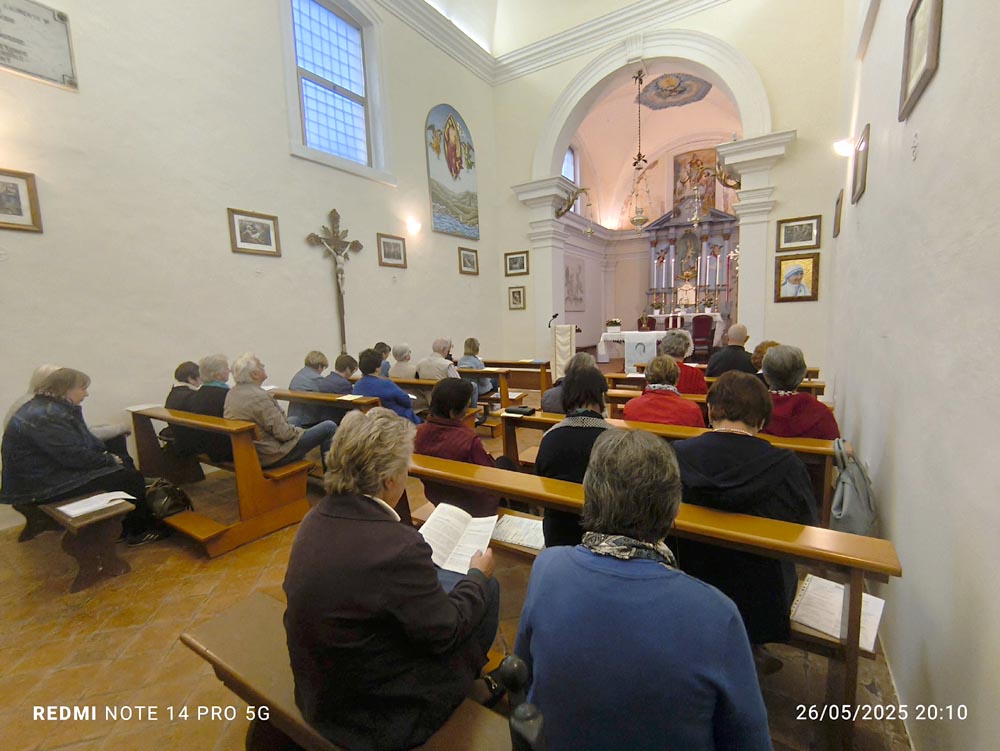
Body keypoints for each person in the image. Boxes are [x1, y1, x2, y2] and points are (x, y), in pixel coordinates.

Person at [515, 429, 772, 751]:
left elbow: (524, 671)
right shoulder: (717, 613)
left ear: (589, 495)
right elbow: (750, 740)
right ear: (674, 508)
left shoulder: (547, 567)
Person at [283, 408, 500, 751]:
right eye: (405, 466)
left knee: (447, 584)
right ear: (387, 480)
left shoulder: (315, 518)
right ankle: (466, 685)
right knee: (487, 589)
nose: (408, 473)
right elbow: (445, 631)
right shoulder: (397, 547)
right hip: (378, 716)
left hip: (321, 689)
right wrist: (477, 575)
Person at [671, 372, 816, 646]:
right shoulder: (787, 466)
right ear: (762, 420)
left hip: (689, 583)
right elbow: (806, 529)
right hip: (763, 598)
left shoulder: (677, 453)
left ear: (710, 411)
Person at [0, 368, 167, 546]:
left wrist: (105, 455)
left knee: (121, 462)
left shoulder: (46, 407)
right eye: (82, 388)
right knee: (130, 478)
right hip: (42, 486)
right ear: (66, 388)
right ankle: (137, 531)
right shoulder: (47, 415)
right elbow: (71, 456)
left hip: (44, 476)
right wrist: (108, 459)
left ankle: (122, 524)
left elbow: (80, 441)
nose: (86, 394)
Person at [414, 379, 515, 517]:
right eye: (466, 406)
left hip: (439, 498)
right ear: (453, 413)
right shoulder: (468, 440)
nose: (467, 410)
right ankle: (517, 509)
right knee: (505, 463)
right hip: (473, 505)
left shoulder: (418, 433)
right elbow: (490, 475)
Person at [535, 365, 610, 547]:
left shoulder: (550, 437)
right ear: (601, 396)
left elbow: (540, 478)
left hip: (557, 534)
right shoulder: (615, 440)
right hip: (604, 537)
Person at [224, 353, 337, 469]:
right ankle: (331, 474)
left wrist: (295, 430)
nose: (263, 366)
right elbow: (284, 434)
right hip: (272, 454)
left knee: (295, 419)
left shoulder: (232, 392)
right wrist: (300, 432)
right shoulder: (259, 397)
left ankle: (302, 467)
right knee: (329, 426)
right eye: (261, 365)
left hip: (251, 449)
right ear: (254, 374)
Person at [761, 345, 840, 440]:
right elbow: (832, 444)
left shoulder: (751, 411)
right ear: (802, 375)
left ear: (766, 375)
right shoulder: (822, 414)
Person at [173, 353, 233, 462]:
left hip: (208, 447)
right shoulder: (226, 395)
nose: (229, 371)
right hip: (227, 450)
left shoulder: (197, 395)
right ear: (217, 375)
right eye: (226, 368)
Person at [622, 355, 705, 427]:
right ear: (677, 379)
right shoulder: (691, 410)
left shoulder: (631, 406)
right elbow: (700, 437)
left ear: (647, 378)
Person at [287, 351, 354, 427]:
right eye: (323, 367)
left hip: (292, 417)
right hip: (308, 421)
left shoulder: (298, 375)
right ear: (319, 366)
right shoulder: (317, 380)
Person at [354, 348, 422, 424]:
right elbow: (406, 400)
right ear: (377, 368)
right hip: (394, 421)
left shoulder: (357, 385)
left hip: (369, 422)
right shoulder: (385, 384)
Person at [657, 329, 708, 394]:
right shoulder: (695, 374)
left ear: (663, 347)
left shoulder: (655, 370)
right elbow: (703, 395)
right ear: (686, 349)